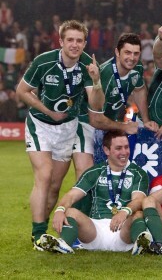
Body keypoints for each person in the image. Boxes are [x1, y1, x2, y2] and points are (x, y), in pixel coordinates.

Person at [17, 20, 102, 249]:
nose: (74, 45)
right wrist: (47, 111)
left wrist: (96, 80)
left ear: (85, 43)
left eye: (79, 41)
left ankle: (41, 230)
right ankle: (38, 235)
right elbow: (22, 91)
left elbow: (95, 104)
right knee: (44, 175)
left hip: (68, 127)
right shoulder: (43, 61)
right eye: (70, 40)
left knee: (54, 186)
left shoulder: (87, 65)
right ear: (61, 41)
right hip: (41, 124)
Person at [37, 130, 150, 254]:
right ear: (106, 150)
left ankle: (140, 246)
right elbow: (71, 195)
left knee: (138, 214)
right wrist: (60, 210)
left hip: (123, 231)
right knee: (70, 211)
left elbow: (139, 200)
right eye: (118, 148)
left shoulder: (138, 173)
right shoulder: (95, 171)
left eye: (126, 147)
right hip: (96, 232)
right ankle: (63, 245)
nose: (124, 152)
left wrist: (125, 211)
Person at [89, 33, 159, 135]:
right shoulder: (105, 75)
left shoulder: (137, 66)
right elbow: (95, 120)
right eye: (127, 52)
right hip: (91, 126)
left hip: (112, 122)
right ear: (117, 52)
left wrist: (146, 120)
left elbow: (139, 90)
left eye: (136, 53)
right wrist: (124, 127)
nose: (132, 58)